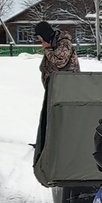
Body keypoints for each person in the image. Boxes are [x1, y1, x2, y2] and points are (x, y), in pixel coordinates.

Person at [34, 21, 80, 155]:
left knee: (62, 116)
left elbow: (59, 61)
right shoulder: (54, 42)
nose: (40, 42)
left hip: (66, 88)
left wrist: (47, 49)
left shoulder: (63, 42)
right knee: (50, 115)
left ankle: (63, 144)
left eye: (40, 39)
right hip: (55, 88)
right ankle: (47, 143)